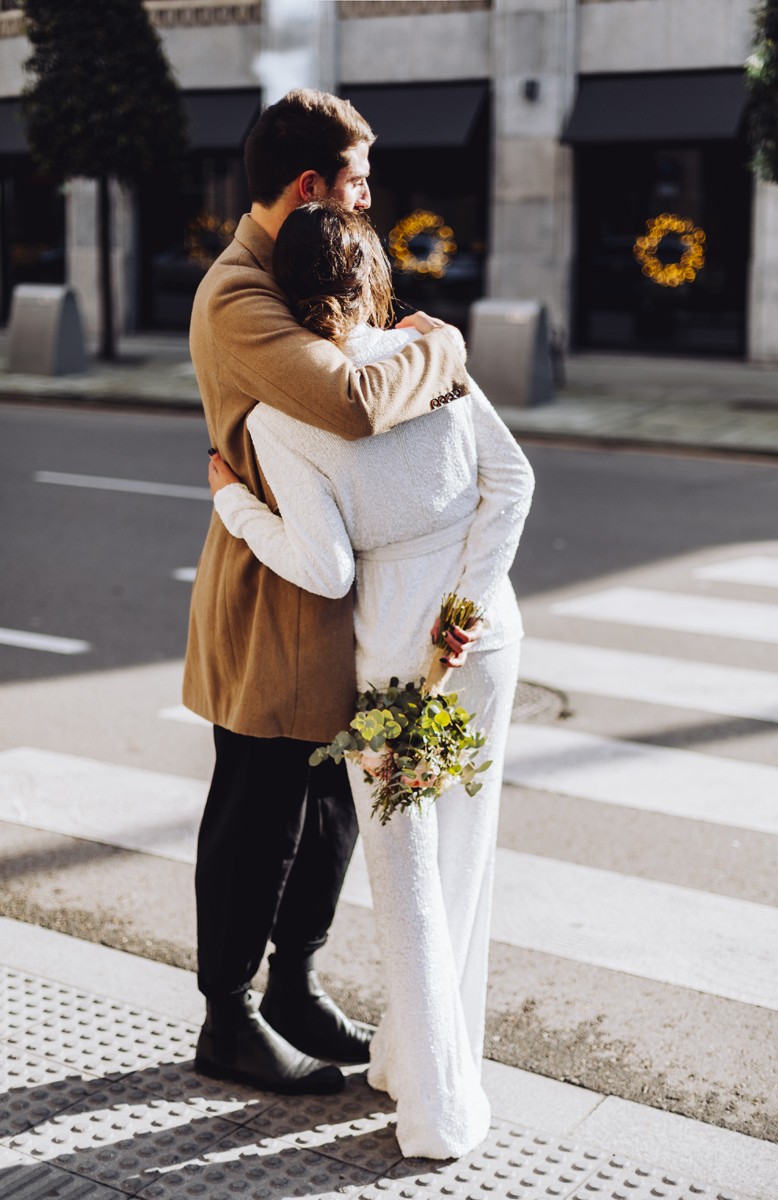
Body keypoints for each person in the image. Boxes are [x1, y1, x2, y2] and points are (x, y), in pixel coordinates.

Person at [207, 201, 534, 1158]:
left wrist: (234, 505)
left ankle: (434, 1107)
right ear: (374, 279)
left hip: (392, 654)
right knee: (466, 860)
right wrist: (464, 612)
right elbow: (510, 482)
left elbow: (329, 570)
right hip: (486, 639)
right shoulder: (430, 352)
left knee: (407, 885)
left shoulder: (281, 417)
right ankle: (415, 1058)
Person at [183, 89, 471, 1097]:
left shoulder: (289, 271)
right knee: (257, 814)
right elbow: (351, 402)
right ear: (310, 186)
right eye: (356, 178)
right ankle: (229, 1014)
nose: (367, 196)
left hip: (334, 595)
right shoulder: (239, 295)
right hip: (273, 595)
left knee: (330, 813)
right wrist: (440, 345)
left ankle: (294, 987)